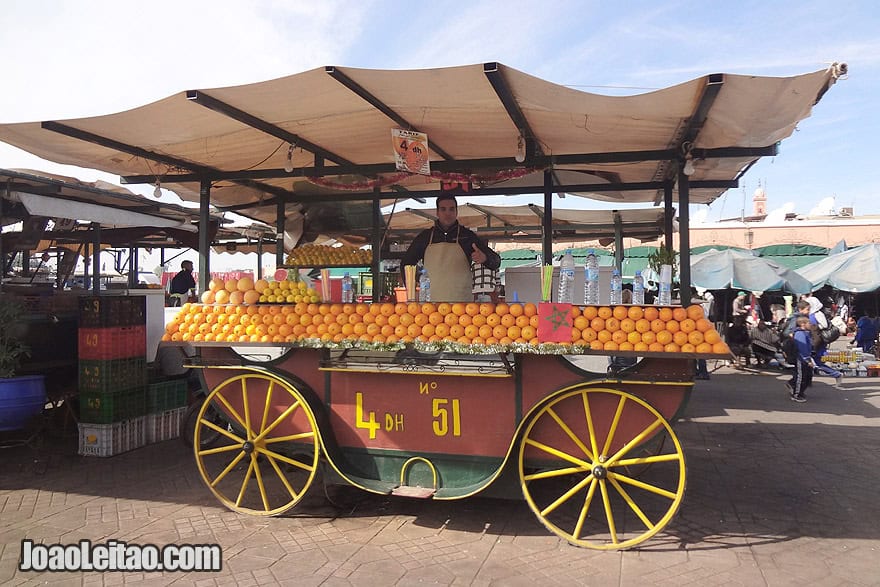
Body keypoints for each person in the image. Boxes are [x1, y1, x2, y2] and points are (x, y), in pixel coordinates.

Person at [401, 194, 500, 302]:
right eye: (443, 209)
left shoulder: (467, 236)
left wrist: (485, 258)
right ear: (437, 212)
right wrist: (412, 291)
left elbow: (496, 261)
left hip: (462, 306)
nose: (448, 213)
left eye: (451, 209)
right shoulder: (425, 237)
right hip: (429, 306)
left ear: (456, 212)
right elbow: (406, 264)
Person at [807, 296, 843, 387]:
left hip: (818, 341)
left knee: (816, 361)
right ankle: (807, 381)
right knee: (808, 361)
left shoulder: (818, 314)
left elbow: (824, 325)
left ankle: (836, 374)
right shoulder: (810, 313)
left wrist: (814, 327)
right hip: (811, 339)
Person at [786, 316, 814, 403]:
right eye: (809, 323)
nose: (810, 325)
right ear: (803, 324)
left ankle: (799, 391)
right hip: (801, 359)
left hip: (805, 358)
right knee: (801, 377)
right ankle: (796, 394)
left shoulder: (806, 333)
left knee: (807, 376)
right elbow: (802, 348)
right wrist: (807, 360)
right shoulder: (800, 334)